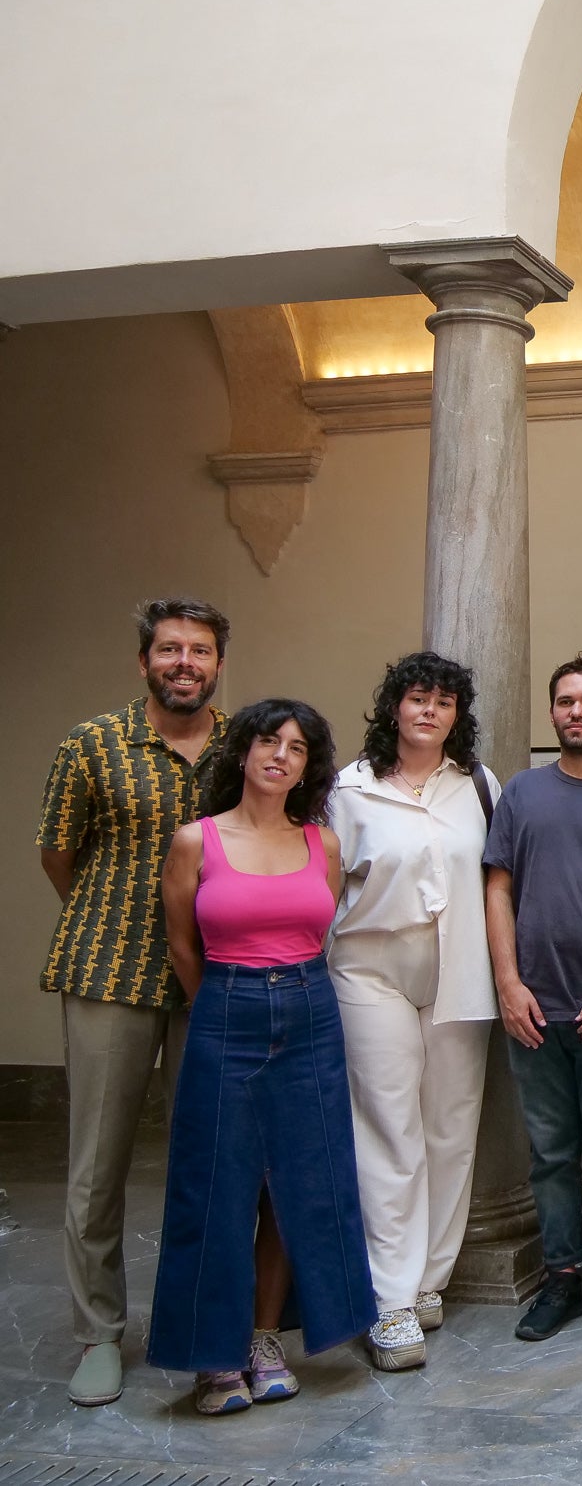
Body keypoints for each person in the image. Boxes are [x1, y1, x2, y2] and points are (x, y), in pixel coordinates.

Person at [149, 700, 376, 1414]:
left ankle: (264, 1337)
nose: (282, 755)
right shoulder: (197, 840)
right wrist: (223, 1001)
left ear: (309, 767)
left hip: (310, 1013)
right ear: (243, 751)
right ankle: (213, 1359)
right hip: (226, 1008)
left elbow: (322, 927)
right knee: (216, 1182)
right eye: (269, 741)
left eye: (299, 748)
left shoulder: (323, 844)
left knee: (300, 1182)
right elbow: (184, 945)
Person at [37, 597, 230, 1407]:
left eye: (199, 651)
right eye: (169, 649)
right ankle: (99, 1334)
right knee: (98, 1164)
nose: (184, 662)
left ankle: (196, 1324)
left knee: (208, 1162)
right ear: (144, 660)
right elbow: (58, 854)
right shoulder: (91, 744)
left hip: (210, 979)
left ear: (219, 662)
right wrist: (117, 914)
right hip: (107, 972)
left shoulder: (240, 747)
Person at [329, 651, 501, 1371]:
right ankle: (390, 1301)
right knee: (389, 1131)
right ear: (393, 707)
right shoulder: (350, 789)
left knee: (451, 1129)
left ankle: (430, 1278)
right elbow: (323, 885)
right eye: (416, 698)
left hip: (461, 971)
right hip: (371, 972)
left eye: (444, 702)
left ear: (457, 716)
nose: (428, 711)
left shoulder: (480, 787)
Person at [484, 655, 582, 1346]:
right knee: (549, 1152)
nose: (575, 712)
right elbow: (498, 889)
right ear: (553, 713)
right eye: (564, 701)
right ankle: (560, 1276)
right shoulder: (521, 793)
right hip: (533, 1005)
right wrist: (508, 983)